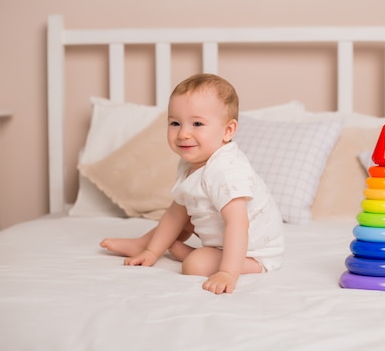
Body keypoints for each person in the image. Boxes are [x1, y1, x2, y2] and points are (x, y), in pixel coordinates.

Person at [100, 73, 284, 294]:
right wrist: (152, 252)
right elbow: (175, 214)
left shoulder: (226, 171)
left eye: (197, 123)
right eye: (175, 123)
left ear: (227, 131)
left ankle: (193, 255)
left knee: (194, 265)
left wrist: (227, 273)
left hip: (252, 251)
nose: (183, 133)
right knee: (179, 212)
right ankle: (145, 245)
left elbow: (238, 224)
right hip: (219, 234)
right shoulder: (193, 162)